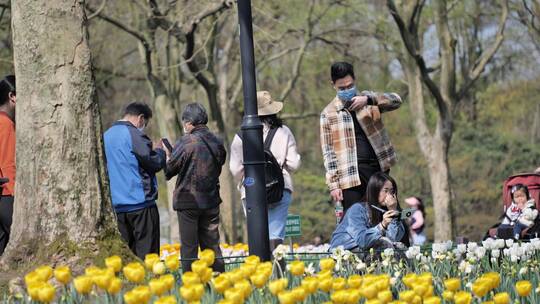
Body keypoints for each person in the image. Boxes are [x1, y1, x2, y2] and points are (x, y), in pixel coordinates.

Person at [320, 62, 402, 216]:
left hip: (376, 168)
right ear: (333, 85)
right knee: (355, 219)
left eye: (349, 86)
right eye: (341, 88)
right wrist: (333, 184)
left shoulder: (368, 100)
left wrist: (369, 99)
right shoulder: (328, 113)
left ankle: (393, 240)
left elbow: (396, 100)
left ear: (355, 80)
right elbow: (328, 152)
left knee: (389, 212)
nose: (346, 90)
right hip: (349, 174)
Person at [229, 91, 301, 251]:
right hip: (279, 189)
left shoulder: (240, 137)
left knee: (257, 236)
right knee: (275, 236)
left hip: (251, 190)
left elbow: (235, 170)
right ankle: (277, 272)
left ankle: (260, 272)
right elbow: (294, 164)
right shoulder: (283, 131)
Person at [165, 103, 226, 273]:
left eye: (185, 122)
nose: (184, 126)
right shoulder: (217, 142)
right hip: (211, 200)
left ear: (190, 123)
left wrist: (168, 156)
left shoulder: (186, 141)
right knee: (212, 247)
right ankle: (219, 285)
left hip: (188, 202)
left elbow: (169, 170)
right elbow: (220, 163)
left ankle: (191, 287)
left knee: (189, 249)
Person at [104, 102, 166, 259]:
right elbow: (153, 162)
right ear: (140, 119)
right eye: (145, 123)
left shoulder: (106, 135)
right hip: (141, 204)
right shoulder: (134, 135)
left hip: (117, 207)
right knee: (148, 256)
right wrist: (160, 151)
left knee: (128, 257)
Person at [330, 172, 407, 251]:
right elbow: (362, 241)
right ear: (375, 191)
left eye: (392, 191)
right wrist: (382, 226)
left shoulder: (384, 210)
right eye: (386, 191)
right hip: (345, 251)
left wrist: (393, 211)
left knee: (399, 247)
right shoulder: (357, 210)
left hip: (367, 251)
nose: (389, 195)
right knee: (385, 246)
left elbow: (393, 238)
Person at [0, 75, 16, 255]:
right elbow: (7, 162)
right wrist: (15, 193)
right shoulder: (5, 123)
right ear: (12, 96)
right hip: (6, 194)